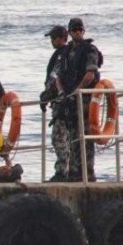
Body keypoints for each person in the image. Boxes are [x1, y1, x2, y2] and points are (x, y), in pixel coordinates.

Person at [53, 17, 103, 181]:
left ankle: (87, 172)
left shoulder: (89, 50)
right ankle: (74, 172)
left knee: (85, 137)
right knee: (72, 135)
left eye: (80, 29)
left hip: (84, 98)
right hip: (68, 99)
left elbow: (90, 74)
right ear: (69, 31)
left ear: (83, 31)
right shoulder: (65, 52)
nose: (77, 32)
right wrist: (62, 93)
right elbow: (58, 76)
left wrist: (78, 91)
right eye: (74, 30)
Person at [40, 25, 72, 181]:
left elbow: (55, 77)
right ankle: (70, 170)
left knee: (59, 138)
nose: (52, 41)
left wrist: (47, 95)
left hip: (61, 102)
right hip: (64, 101)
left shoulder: (62, 55)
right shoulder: (66, 54)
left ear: (62, 38)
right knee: (66, 137)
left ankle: (62, 172)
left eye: (54, 38)